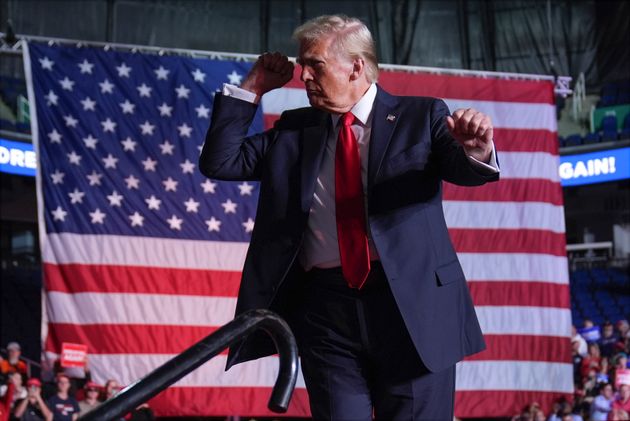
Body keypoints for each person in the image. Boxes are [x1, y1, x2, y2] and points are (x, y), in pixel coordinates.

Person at [200, 13, 499, 420]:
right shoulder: (293, 130)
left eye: (315, 64)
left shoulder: (421, 116)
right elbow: (221, 161)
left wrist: (476, 149)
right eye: (303, 64)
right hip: (326, 313)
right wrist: (253, 88)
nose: (302, 75)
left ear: (356, 65)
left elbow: (466, 170)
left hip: (412, 310)